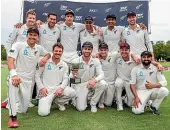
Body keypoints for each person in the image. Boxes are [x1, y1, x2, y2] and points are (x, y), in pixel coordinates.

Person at [7, 28, 51, 128]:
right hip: (17, 76)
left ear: (38, 38)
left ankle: (9, 103)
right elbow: (10, 60)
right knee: (12, 83)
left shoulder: (39, 48)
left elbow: (48, 53)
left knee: (23, 110)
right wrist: (14, 74)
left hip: (28, 80)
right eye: (30, 34)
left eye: (35, 35)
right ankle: (12, 117)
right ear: (27, 36)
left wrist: (45, 57)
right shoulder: (18, 45)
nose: (32, 37)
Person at [2, 10, 37, 108]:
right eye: (30, 18)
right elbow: (9, 42)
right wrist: (10, 55)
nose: (31, 20)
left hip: (30, 59)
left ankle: (28, 100)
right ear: (26, 18)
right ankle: (9, 100)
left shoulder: (36, 29)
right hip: (18, 59)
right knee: (15, 79)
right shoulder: (18, 27)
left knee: (31, 79)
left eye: (33, 18)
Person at [35, 43, 76, 116]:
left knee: (73, 93)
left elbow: (65, 79)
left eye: (60, 51)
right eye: (56, 51)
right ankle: (49, 102)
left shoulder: (64, 64)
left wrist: (61, 88)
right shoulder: (45, 62)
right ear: (52, 51)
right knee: (43, 113)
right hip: (46, 91)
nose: (58, 53)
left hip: (57, 90)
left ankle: (58, 102)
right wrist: (41, 88)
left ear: (62, 52)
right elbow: (37, 76)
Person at [70, 42, 106, 112]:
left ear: (91, 50)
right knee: (80, 109)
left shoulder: (95, 61)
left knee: (103, 84)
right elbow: (71, 80)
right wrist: (74, 75)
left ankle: (93, 103)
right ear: (82, 49)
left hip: (91, 83)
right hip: (80, 85)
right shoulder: (76, 61)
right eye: (85, 49)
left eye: (89, 49)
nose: (87, 51)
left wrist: (94, 80)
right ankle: (85, 97)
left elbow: (102, 74)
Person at [130, 51, 169, 115]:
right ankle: (146, 103)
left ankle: (154, 106)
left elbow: (164, 82)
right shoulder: (135, 69)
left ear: (151, 58)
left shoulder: (156, 68)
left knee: (164, 91)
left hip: (153, 90)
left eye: (148, 57)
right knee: (136, 111)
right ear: (141, 58)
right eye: (144, 57)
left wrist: (153, 85)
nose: (146, 59)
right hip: (141, 91)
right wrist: (136, 97)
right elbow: (132, 84)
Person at [114, 42, 137, 111]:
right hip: (120, 78)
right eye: (122, 50)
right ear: (119, 50)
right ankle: (119, 104)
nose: (124, 52)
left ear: (129, 51)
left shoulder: (135, 59)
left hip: (130, 82)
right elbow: (106, 54)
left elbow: (146, 60)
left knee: (130, 104)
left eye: (126, 50)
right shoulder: (117, 57)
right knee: (118, 83)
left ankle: (125, 98)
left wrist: (157, 64)